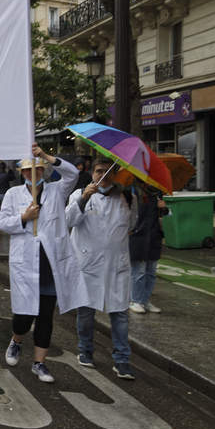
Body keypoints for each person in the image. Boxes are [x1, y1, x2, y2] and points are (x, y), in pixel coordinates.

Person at [0, 144, 87, 383]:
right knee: (24, 315)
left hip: (51, 264)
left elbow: (73, 174)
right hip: (25, 264)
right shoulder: (13, 194)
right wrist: (24, 218)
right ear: (21, 172)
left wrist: (45, 156)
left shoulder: (57, 190)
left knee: (46, 315)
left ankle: (39, 363)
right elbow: (3, 223)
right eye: (27, 170)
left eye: (37, 168)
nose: (32, 173)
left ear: (44, 170)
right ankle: (16, 340)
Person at [66, 158, 138, 380]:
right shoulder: (79, 195)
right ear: (92, 173)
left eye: (108, 171)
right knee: (86, 313)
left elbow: (132, 224)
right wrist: (84, 199)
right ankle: (85, 351)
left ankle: (122, 360)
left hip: (117, 266)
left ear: (114, 175)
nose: (103, 176)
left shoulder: (127, 197)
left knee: (120, 314)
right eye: (99, 171)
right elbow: (68, 220)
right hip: (89, 265)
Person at [129, 182, 168, 314]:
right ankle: (135, 300)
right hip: (138, 236)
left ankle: (145, 300)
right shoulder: (133, 190)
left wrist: (163, 208)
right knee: (139, 271)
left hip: (153, 236)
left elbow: (164, 214)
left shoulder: (157, 192)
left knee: (151, 272)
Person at [0, 162, 14, 227]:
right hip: (5, 194)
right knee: (5, 209)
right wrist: (10, 170)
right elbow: (13, 177)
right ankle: (5, 222)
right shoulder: (6, 175)